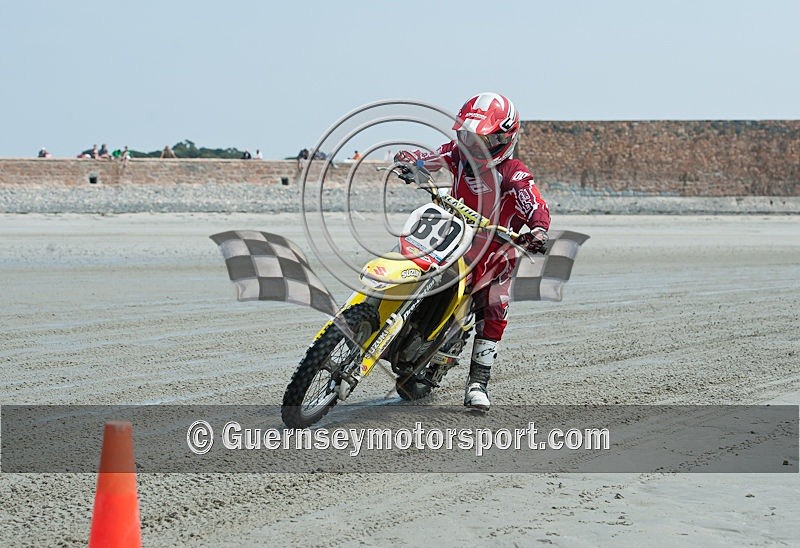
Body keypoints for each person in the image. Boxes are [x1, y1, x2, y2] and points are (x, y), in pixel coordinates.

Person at [394, 92, 550, 411]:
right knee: (406, 256)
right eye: (468, 135)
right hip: (451, 234)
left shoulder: (514, 172)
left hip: (494, 253)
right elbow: (433, 160)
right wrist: (414, 166)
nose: (472, 144)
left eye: (481, 139)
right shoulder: (457, 153)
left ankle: (478, 383)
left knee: (494, 308)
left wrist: (538, 229)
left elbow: (534, 202)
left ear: (503, 138)